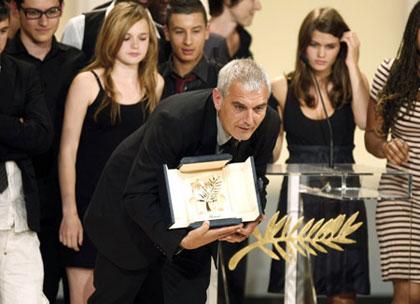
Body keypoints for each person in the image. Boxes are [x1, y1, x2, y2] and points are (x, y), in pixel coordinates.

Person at [84, 58, 280, 304]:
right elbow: (138, 193)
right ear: (218, 99)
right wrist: (180, 240)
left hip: (196, 229)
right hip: (129, 221)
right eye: (239, 107)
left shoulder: (268, 124)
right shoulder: (175, 118)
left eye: (259, 108)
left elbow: (256, 178)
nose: (250, 120)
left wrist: (252, 215)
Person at [58, 2, 164, 303]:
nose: (135, 45)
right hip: (88, 209)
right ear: (111, 37)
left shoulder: (155, 84)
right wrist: (70, 213)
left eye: (142, 38)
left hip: (134, 215)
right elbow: (68, 151)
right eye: (126, 37)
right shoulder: (87, 82)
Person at [268, 7, 370, 304]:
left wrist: (353, 63)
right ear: (303, 46)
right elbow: (274, 149)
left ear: (341, 47)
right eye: (315, 45)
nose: (321, 54)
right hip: (298, 196)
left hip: (343, 195)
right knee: (297, 290)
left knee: (343, 294)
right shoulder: (281, 86)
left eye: (330, 46)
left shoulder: (352, 81)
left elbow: (364, 121)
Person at [5, 0, 85, 302]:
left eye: (52, 11)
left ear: (62, 8)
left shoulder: (76, 61)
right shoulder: (5, 57)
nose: (44, 21)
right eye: (33, 12)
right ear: (16, 10)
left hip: (66, 192)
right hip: (18, 193)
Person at [365, 2, 420, 303]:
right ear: (414, 31)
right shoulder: (392, 72)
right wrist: (386, 147)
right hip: (401, 193)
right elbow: (372, 136)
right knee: (409, 291)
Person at [0, 2, 53, 303]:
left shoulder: (23, 73)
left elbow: (41, 137)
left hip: (17, 217)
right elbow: (26, 135)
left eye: (4, 32)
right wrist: (16, 127)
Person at [159, 0, 221, 99]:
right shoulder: (152, 80)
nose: (188, 41)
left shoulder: (223, 81)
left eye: (196, 31)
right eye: (179, 32)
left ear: (207, 31)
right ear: (167, 33)